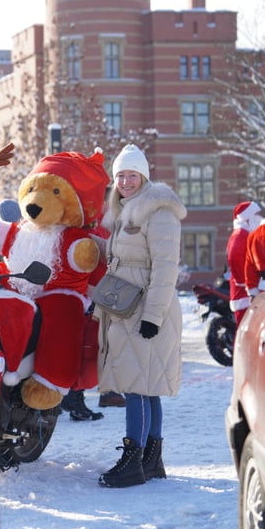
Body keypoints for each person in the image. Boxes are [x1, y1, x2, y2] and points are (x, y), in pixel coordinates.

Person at [95, 144, 187, 488]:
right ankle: (151, 459)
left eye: (132, 174)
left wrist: (153, 316)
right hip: (127, 307)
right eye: (120, 175)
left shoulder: (158, 211)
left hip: (147, 309)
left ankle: (133, 461)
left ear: (144, 176)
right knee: (147, 388)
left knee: (136, 387)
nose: (125, 181)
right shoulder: (124, 211)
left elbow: (165, 268)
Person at [226, 201, 263, 325]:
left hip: (248, 293)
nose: (259, 217)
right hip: (244, 294)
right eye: (256, 214)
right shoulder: (239, 236)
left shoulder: (246, 235)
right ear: (247, 218)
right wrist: (247, 284)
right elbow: (234, 258)